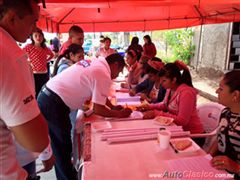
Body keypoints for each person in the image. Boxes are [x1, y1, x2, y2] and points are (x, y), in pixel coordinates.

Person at [37, 53, 132, 180]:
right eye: (119, 71)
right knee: (62, 150)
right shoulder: (102, 72)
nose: (117, 75)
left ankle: (67, 175)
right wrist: (119, 114)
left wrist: (113, 107)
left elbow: (98, 93)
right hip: (53, 103)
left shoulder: (97, 63)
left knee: (62, 148)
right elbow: (98, 109)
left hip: (49, 97)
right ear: (115, 65)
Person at [0, 0, 52, 179]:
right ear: (12, 18)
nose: (35, 28)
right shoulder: (9, 53)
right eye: (33, 21)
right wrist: (46, 152)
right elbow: (36, 140)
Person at [141, 61, 205, 146]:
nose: (161, 83)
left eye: (164, 80)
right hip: (177, 130)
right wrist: (149, 106)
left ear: (174, 80)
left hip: (193, 135)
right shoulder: (170, 88)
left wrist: (156, 113)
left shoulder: (186, 93)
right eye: (161, 80)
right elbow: (164, 105)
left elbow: (182, 120)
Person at [209, 70, 240, 179]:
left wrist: (236, 167)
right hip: (219, 171)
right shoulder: (225, 113)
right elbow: (220, 138)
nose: (217, 91)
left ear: (235, 95)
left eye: (221, 88)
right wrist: (207, 157)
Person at [23, 27, 54, 96]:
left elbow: (52, 55)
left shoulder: (45, 48)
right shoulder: (29, 47)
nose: (38, 37)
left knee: (43, 90)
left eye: (40, 35)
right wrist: (28, 62)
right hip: (34, 74)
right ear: (32, 37)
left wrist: (46, 61)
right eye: (36, 36)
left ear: (43, 37)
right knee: (35, 91)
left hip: (44, 73)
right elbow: (21, 54)